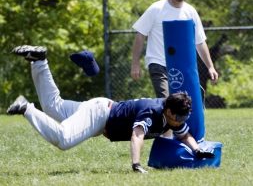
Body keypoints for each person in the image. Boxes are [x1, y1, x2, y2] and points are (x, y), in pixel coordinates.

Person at [7, 45, 214, 173]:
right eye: (178, 116)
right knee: (63, 140)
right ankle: (26, 108)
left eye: (184, 116)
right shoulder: (153, 111)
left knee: (53, 106)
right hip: (100, 114)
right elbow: (137, 136)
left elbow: (184, 134)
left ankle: (39, 61)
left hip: (101, 109)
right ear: (168, 110)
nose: (181, 120)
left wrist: (198, 150)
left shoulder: (172, 115)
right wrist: (136, 164)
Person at [131, 0, 218, 98]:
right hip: (158, 64)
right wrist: (135, 64)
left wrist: (210, 67)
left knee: (183, 104)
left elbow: (200, 42)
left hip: (181, 66)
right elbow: (140, 35)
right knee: (166, 101)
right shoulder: (156, 9)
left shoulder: (191, 12)